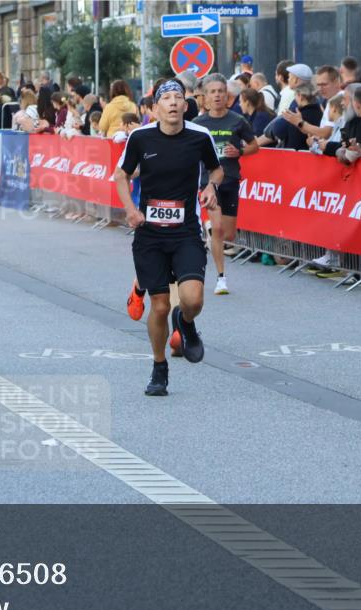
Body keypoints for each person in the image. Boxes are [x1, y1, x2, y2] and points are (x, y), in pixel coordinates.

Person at [114, 79, 223, 396]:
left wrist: (211, 186)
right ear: (155, 108)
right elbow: (121, 175)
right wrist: (131, 210)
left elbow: (216, 170)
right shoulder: (139, 137)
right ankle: (159, 367)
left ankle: (186, 322)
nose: (174, 103)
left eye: (179, 98)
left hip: (186, 231)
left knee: (193, 299)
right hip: (149, 235)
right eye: (167, 98)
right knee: (159, 307)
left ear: (187, 106)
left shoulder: (199, 137)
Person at [194, 74, 258, 297]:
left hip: (231, 180)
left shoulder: (237, 121)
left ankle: (211, 231)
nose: (218, 95)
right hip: (208, 183)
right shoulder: (198, 124)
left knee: (228, 234)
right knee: (219, 228)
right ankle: (221, 278)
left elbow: (254, 146)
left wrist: (239, 151)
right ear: (206, 97)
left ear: (227, 95)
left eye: (221, 91)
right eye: (213, 92)